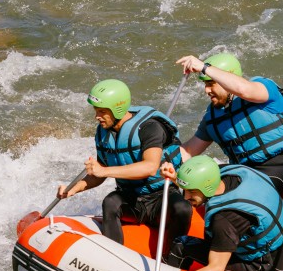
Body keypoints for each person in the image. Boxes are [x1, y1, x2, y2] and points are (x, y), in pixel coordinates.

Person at [176, 52, 283, 221]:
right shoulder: (212, 118)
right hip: (251, 175)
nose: (207, 90)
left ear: (227, 78)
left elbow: (244, 89)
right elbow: (187, 151)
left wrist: (204, 67)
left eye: (211, 84)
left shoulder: (264, 90)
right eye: (205, 85)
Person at [56, 79, 192, 246]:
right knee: (110, 202)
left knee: (183, 208)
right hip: (131, 199)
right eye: (96, 110)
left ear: (117, 109)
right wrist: (72, 189)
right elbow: (99, 174)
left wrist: (104, 171)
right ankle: (112, 256)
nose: (97, 117)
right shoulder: (103, 132)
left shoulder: (150, 127)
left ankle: (173, 259)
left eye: (102, 111)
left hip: (161, 197)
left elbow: (150, 167)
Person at [149, 155, 283, 271]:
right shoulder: (230, 172)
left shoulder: (224, 221)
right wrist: (176, 178)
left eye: (191, 192)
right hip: (282, 247)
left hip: (263, 268)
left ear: (207, 187)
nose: (185, 197)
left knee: (180, 245)